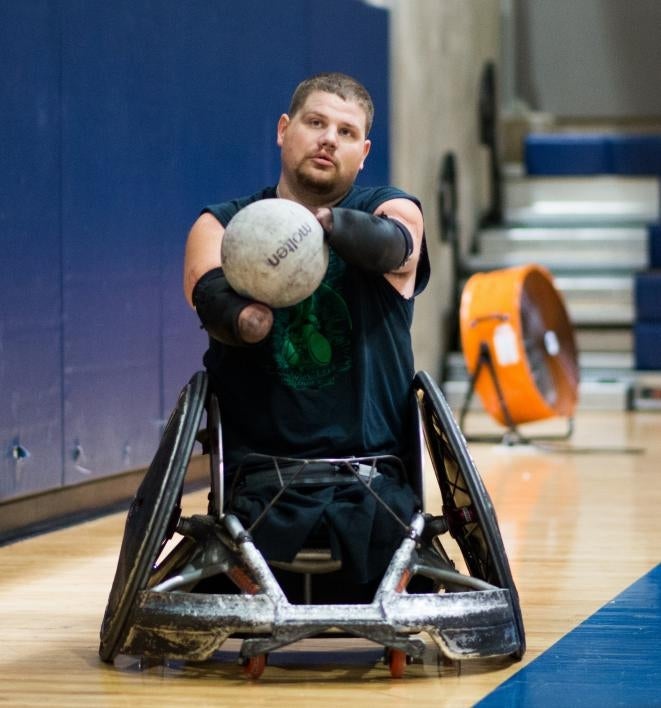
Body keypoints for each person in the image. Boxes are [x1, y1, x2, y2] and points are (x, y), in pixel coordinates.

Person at [183, 72, 430, 600]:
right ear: (283, 129)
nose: (328, 139)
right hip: (256, 489)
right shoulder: (222, 224)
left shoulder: (389, 206)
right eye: (315, 123)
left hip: (376, 488)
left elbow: (399, 243)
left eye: (345, 132)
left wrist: (321, 226)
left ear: (363, 153)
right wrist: (247, 317)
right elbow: (207, 295)